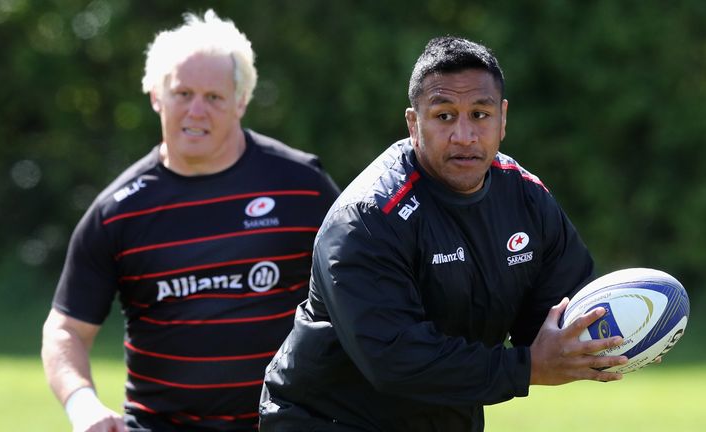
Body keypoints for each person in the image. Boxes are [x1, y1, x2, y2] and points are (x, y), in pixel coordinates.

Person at [259, 36, 628, 432]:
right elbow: (396, 361)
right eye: (445, 116)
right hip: (328, 421)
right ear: (413, 123)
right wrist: (527, 368)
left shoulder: (525, 198)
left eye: (480, 114)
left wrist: (626, 336)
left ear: (503, 119)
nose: (464, 135)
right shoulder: (366, 219)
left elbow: (558, 315)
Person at [41, 10, 340, 432]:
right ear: (155, 96)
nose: (196, 111)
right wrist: (83, 406)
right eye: (182, 93)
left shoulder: (303, 188)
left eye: (214, 97)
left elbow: (365, 286)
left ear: (241, 101)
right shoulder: (118, 211)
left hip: (283, 425)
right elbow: (65, 329)